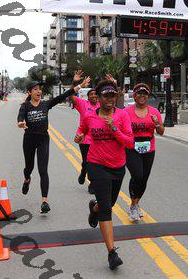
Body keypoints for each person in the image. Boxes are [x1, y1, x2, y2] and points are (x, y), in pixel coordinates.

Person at [74, 79, 134, 270]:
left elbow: (130, 142)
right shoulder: (90, 115)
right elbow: (82, 129)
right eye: (106, 95)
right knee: (107, 210)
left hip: (118, 166)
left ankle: (94, 209)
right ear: (99, 98)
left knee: (109, 203)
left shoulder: (122, 115)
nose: (110, 99)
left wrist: (114, 128)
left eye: (113, 95)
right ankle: (111, 253)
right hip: (97, 164)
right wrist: (79, 136)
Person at [18, 71, 91, 214]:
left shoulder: (45, 104)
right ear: (30, 92)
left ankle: (44, 201)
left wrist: (79, 86)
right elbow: (20, 116)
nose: (39, 91)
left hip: (43, 140)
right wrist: (20, 122)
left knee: (43, 170)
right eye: (35, 89)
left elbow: (63, 96)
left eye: (40, 89)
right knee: (29, 168)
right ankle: (27, 179)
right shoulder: (25, 106)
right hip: (29, 140)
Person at [124, 83, 164, 221]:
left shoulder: (154, 112)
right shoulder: (126, 112)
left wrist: (157, 123)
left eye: (145, 94)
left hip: (149, 147)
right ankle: (133, 207)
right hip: (131, 147)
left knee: (144, 178)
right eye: (139, 93)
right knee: (137, 175)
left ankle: (135, 204)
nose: (142, 96)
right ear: (134, 96)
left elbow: (161, 132)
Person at [71, 86, 99, 193]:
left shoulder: (101, 105)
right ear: (88, 97)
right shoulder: (83, 104)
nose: (93, 96)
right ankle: (84, 171)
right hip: (84, 137)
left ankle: (92, 183)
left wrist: (113, 83)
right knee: (86, 161)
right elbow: (70, 95)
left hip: (97, 138)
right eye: (91, 94)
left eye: (95, 94)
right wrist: (75, 84)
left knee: (95, 162)